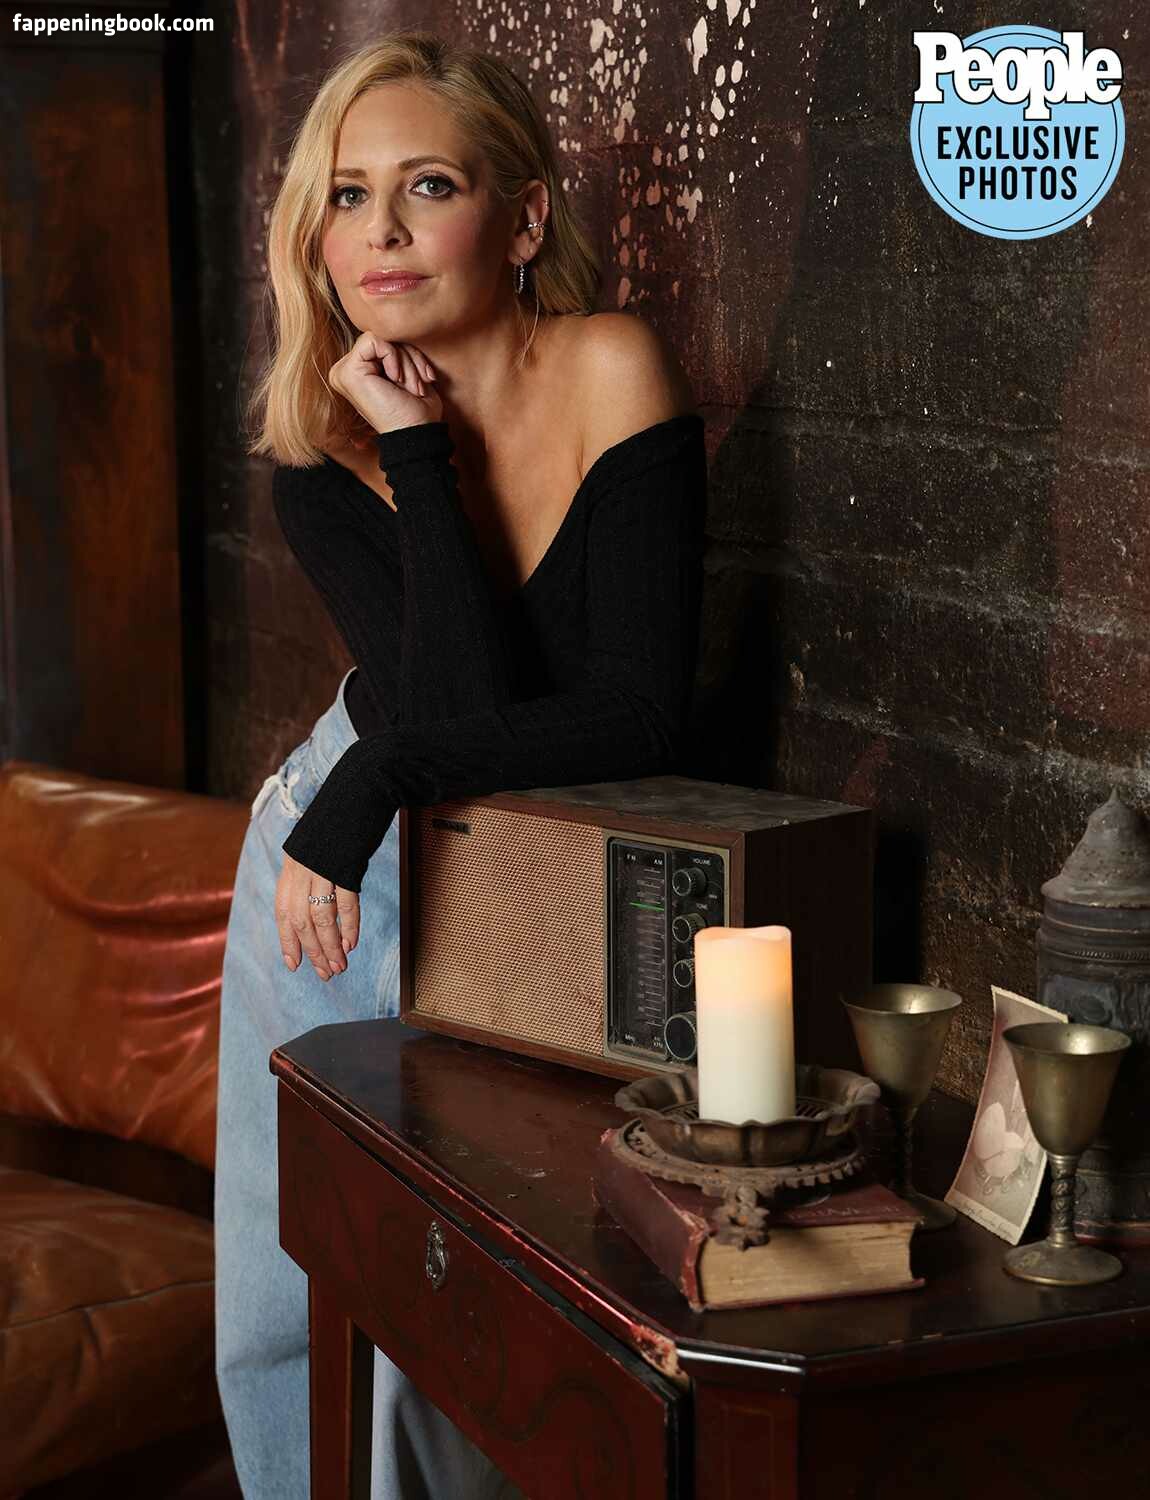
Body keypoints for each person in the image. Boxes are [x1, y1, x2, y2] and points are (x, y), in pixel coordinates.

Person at [214, 28, 707, 1500]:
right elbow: (455, 705)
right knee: (287, 1297)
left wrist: (374, 775)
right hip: (335, 876)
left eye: (426, 186)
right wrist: (411, 449)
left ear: (523, 216)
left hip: (480, 849)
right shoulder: (321, 446)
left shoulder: (610, 365)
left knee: (473, 1312)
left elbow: (640, 714)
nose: (381, 230)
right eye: (346, 196)